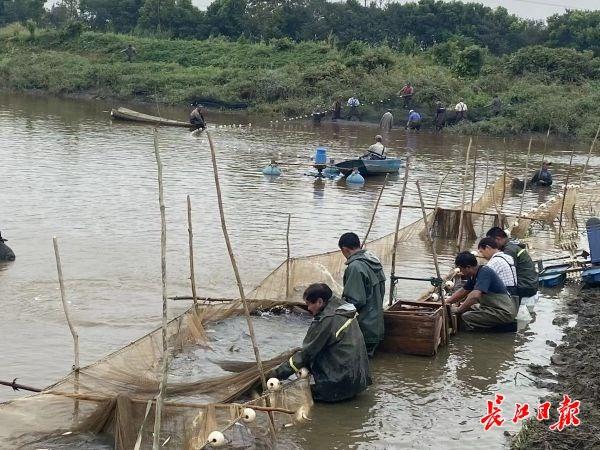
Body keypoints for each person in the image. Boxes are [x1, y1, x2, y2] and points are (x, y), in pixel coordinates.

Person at [270, 283, 371, 402]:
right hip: (359, 379)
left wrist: (275, 374)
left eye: (309, 304)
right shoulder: (342, 306)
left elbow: (306, 354)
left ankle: (330, 392)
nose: (308, 308)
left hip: (340, 383)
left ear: (319, 301)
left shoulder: (326, 321)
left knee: (299, 395)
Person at [339, 232, 386, 356]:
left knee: (358, 366)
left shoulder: (355, 267)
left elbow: (355, 301)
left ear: (344, 249)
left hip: (364, 328)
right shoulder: (373, 260)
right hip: (377, 325)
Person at [446, 251, 517, 331]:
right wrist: (447, 303)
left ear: (468, 267)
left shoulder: (485, 272)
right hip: (492, 307)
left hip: (503, 312)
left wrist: (459, 310)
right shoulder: (474, 275)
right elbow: (463, 291)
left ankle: (469, 339)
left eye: (461, 269)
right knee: (469, 307)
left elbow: (475, 296)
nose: (461, 272)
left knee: (466, 316)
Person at [486, 227, 538, 301]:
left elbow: (503, 270)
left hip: (525, 286)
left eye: (490, 242)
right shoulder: (512, 245)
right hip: (530, 284)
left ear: (498, 239)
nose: (490, 245)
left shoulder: (509, 250)